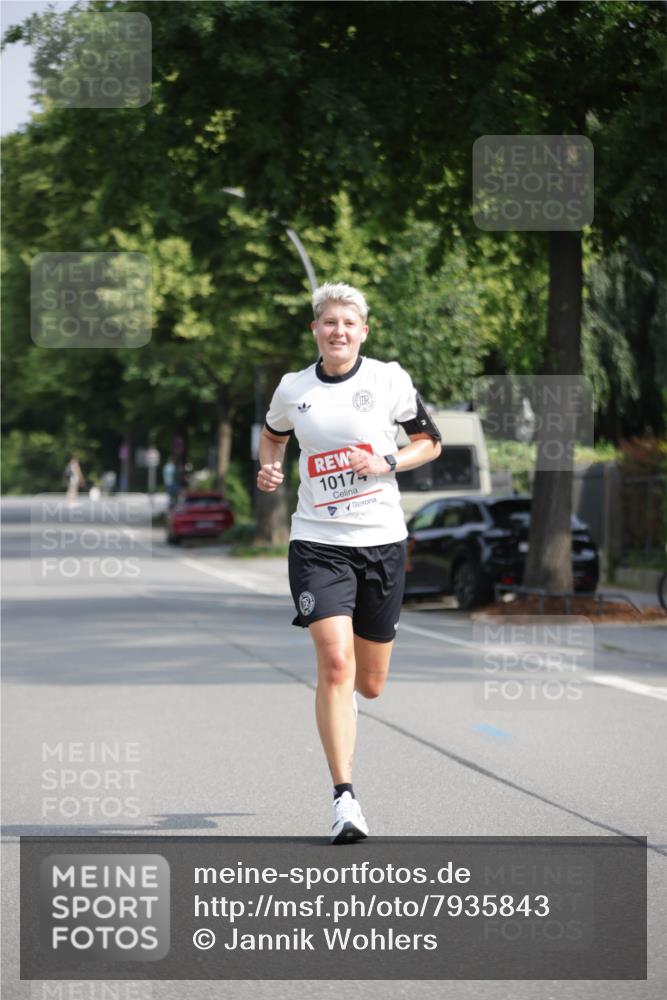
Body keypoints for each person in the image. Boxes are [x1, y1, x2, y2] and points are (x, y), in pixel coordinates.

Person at [258, 282, 442, 844]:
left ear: (364, 330)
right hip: (317, 543)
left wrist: (386, 460)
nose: (338, 331)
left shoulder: (389, 379)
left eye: (348, 323)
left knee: (371, 684)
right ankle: (345, 800)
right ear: (315, 329)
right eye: (328, 322)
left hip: (382, 541)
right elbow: (272, 438)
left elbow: (429, 441)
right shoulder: (294, 389)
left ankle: (353, 713)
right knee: (334, 664)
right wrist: (269, 469)